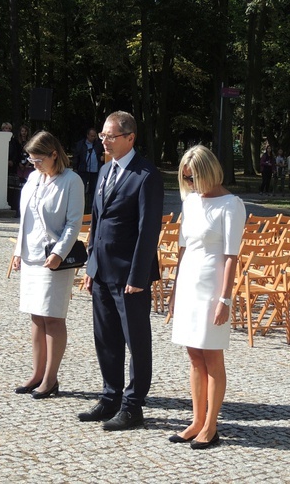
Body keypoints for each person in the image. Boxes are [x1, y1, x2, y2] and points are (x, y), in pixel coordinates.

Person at [78, 110, 164, 431]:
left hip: (130, 277)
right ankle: (110, 396)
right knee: (106, 339)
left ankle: (133, 405)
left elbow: (148, 230)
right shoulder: (103, 171)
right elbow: (97, 222)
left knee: (136, 341)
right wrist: (91, 264)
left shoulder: (146, 176)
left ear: (130, 137)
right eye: (102, 135)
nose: (104, 141)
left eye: (110, 136)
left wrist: (138, 276)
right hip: (101, 272)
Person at [167, 145, 245, 449]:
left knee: (212, 356)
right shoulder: (191, 203)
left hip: (212, 286)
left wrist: (225, 299)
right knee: (194, 356)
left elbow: (231, 256)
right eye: (185, 178)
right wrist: (174, 289)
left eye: (192, 177)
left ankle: (211, 426)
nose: (188, 183)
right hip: (188, 282)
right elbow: (183, 248)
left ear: (207, 172)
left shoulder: (231, 204)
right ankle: (196, 420)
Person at [11, 131, 84, 398]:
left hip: (54, 259)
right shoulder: (33, 178)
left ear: (55, 154)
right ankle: (37, 373)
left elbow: (73, 223)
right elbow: (25, 218)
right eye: (31, 160)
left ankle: (50, 378)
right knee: (36, 316)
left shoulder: (71, 181)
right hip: (31, 256)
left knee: (52, 317)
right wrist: (18, 250)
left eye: (39, 159)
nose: (35, 164)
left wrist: (60, 253)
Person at [72, 128, 105, 211]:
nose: (93, 137)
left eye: (94, 136)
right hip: (83, 170)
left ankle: (92, 208)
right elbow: (76, 156)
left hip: (95, 171)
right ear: (87, 135)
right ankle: (81, 207)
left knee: (94, 189)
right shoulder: (80, 144)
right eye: (91, 136)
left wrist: (101, 157)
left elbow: (100, 154)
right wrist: (75, 168)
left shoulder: (99, 144)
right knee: (81, 189)